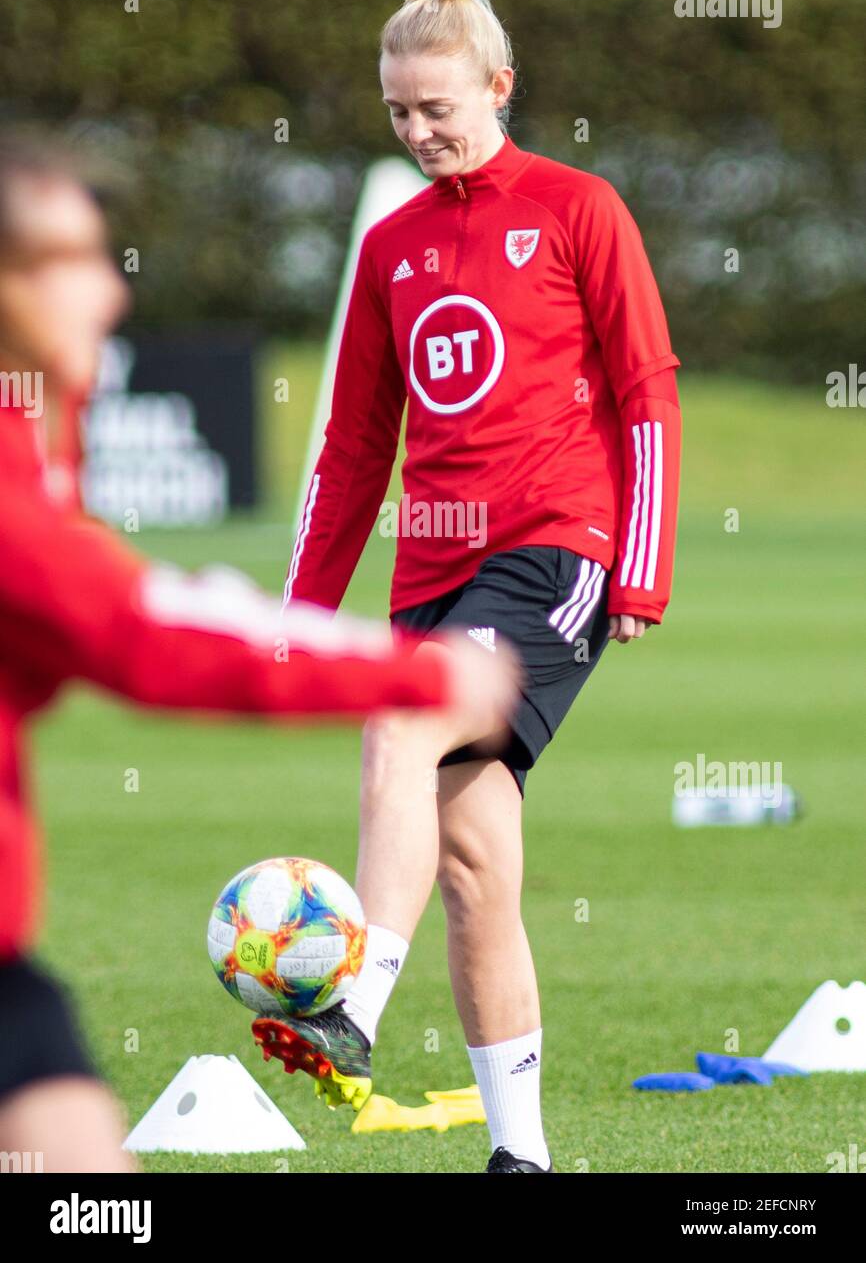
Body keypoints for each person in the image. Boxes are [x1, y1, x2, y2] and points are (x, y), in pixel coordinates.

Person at [0, 135, 519, 1172]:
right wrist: (419, 671)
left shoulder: (32, 436)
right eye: (69, 260)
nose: (110, 292)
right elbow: (148, 634)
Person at [254, 0, 683, 1174]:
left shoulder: (577, 206)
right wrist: (302, 617)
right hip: (430, 578)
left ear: (500, 84)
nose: (419, 128)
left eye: (439, 106)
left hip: (557, 550)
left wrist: (639, 568)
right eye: (398, 111)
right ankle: (524, 1155)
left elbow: (646, 388)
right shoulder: (389, 245)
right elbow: (350, 447)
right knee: (470, 864)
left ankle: (353, 1006)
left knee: (396, 727)